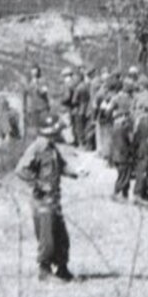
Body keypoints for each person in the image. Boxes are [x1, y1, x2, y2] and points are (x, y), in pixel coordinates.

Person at [15, 115, 86, 282]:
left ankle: (62, 268)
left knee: (61, 236)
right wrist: (38, 184)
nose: (59, 133)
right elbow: (20, 170)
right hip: (43, 199)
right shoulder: (37, 148)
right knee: (47, 237)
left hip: (54, 198)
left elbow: (61, 166)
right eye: (57, 130)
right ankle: (44, 270)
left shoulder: (52, 148)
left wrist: (76, 172)